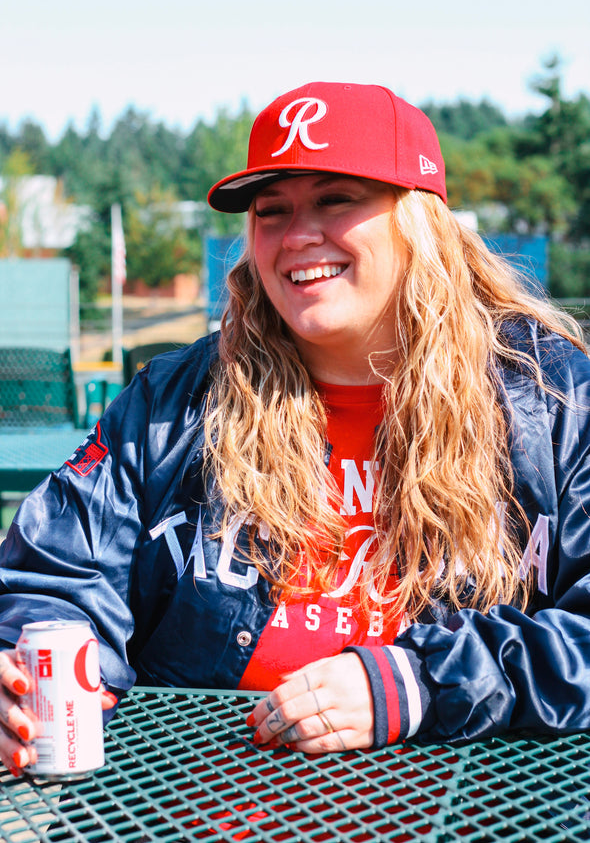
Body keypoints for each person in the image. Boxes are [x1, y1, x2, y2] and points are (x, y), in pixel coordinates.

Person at [1, 81, 590, 776]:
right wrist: (18, 667)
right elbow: (57, 573)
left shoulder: (555, 399)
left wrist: (415, 683)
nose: (297, 235)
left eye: (336, 198)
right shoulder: (172, 403)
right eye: (271, 210)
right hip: (182, 809)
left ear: (419, 218)